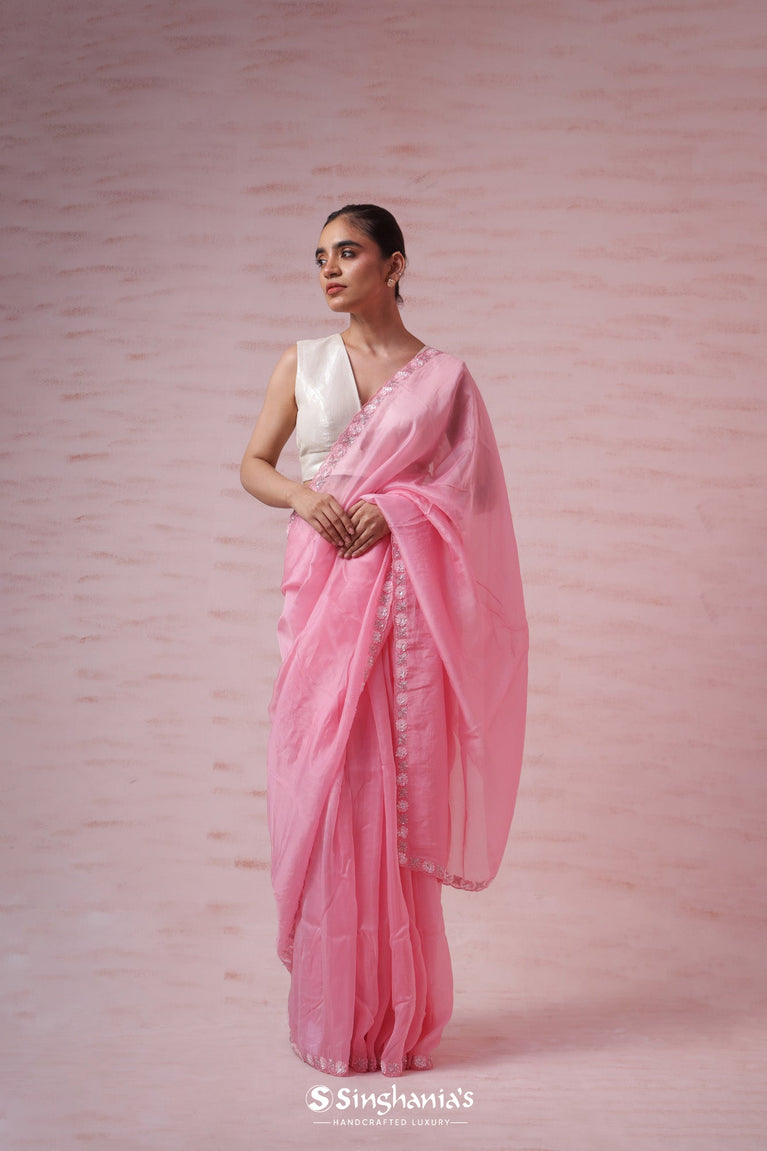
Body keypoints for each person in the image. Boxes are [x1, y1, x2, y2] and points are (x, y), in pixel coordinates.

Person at [240, 204, 528, 1077]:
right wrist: (305, 497)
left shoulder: (444, 380)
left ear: (394, 265)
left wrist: (396, 507)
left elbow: (476, 497)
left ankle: (390, 1017)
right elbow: (255, 464)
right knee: (324, 785)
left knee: (385, 792)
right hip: (321, 597)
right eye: (320, 257)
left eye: (348, 252)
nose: (328, 269)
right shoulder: (302, 362)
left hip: (402, 612)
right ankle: (333, 1012)